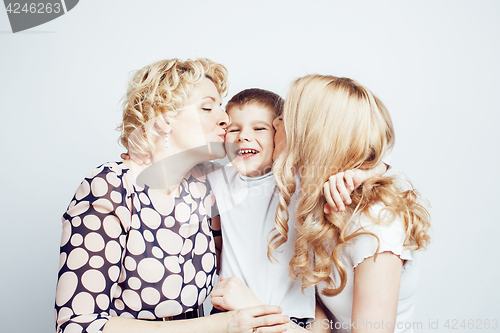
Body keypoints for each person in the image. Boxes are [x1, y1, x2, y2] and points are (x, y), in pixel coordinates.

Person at [54, 58, 291, 333]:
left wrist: (350, 176)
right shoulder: (111, 187)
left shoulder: (204, 186)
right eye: (207, 107)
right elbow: (76, 325)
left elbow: (282, 166)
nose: (225, 118)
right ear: (164, 118)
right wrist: (218, 325)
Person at [207, 88, 389, 331]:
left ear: (279, 134)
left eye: (259, 128)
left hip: (294, 317)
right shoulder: (217, 180)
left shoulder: (298, 179)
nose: (243, 137)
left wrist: (361, 173)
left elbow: (382, 165)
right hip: (232, 312)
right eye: (234, 129)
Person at [271, 75, 431, 333]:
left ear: (314, 134)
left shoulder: (375, 224)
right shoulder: (313, 197)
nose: (275, 122)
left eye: (286, 116)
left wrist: (260, 318)